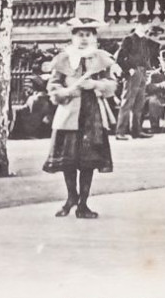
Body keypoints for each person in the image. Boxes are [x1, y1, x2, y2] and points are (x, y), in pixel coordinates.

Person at [43, 18, 120, 219]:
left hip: (92, 115)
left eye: (88, 35)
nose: (84, 39)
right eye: (80, 35)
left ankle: (83, 204)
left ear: (94, 37)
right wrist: (65, 91)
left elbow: (112, 85)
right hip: (69, 114)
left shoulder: (102, 58)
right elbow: (52, 86)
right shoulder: (63, 59)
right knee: (68, 161)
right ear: (73, 37)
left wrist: (95, 85)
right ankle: (71, 197)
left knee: (88, 161)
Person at [115, 23, 161, 140]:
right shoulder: (129, 39)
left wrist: (148, 68)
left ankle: (136, 130)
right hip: (133, 73)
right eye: (142, 24)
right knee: (127, 103)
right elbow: (119, 57)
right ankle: (120, 132)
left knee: (139, 103)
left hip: (142, 73)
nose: (145, 27)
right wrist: (128, 70)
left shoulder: (144, 40)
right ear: (137, 25)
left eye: (146, 24)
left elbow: (145, 57)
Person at [143, 48, 165, 134]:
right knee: (153, 101)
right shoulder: (154, 74)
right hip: (159, 97)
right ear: (160, 60)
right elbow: (148, 87)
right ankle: (155, 127)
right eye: (164, 60)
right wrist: (160, 85)